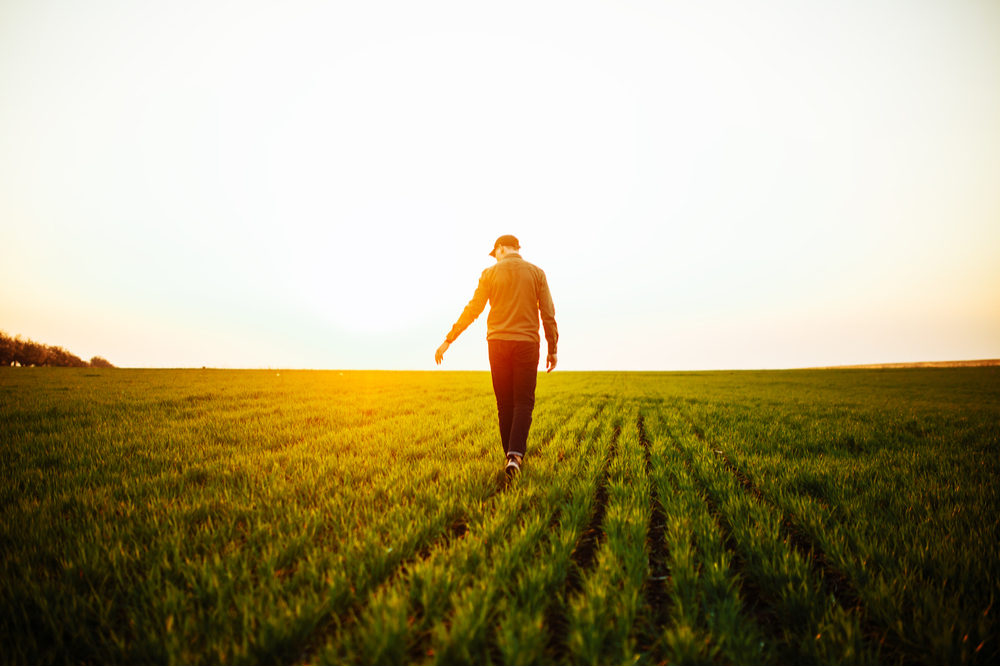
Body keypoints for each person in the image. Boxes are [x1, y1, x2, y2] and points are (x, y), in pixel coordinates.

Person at [435, 235, 559, 478]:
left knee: (504, 403)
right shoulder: (537, 273)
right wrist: (552, 347)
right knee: (523, 401)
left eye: (496, 253)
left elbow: (473, 310)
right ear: (517, 249)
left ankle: (510, 457)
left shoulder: (489, 274)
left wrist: (448, 339)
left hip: (497, 343)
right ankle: (515, 457)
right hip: (526, 344)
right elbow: (548, 313)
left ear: (500, 248)